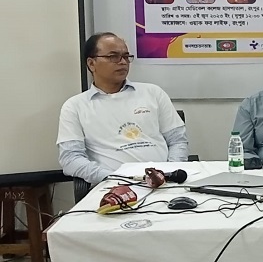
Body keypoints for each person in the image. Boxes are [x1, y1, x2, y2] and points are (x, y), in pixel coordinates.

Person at [57, 32, 189, 184]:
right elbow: (70, 158)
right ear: (91, 63)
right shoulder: (75, 106)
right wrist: (113, 178)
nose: (123, 62)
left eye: (126, 56)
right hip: (113, 186)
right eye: (113, 56)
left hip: (165, 183)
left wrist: (169, 173)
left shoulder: (153, 93)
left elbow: (178, 140)